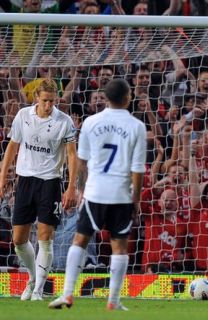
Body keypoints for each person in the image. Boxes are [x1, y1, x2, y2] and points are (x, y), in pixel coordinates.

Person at [48, 79, 147, 311]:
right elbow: (138, 170)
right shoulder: (136, 126)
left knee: (79, 240)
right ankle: (113, 300)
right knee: (119, 247)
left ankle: (68, 294)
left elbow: (81, 162)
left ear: (106, 97)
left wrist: (81, 189)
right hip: (121, 194)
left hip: (95, 193)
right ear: (127, 97)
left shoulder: (91, 122)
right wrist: (136, 199)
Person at [0, 79, 77, 301]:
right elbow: (12, 147)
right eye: (45, 101)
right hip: (25, 181)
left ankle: (38, 290)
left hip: (50, 183)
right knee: (18, 241)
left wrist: (71, 187)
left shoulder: (64, 121)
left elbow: (72, 155)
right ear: (36, 98)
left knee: (45, 237)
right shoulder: (23, 116)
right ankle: (33, 278)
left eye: (52, 101)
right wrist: (2, 177)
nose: (48, 105)